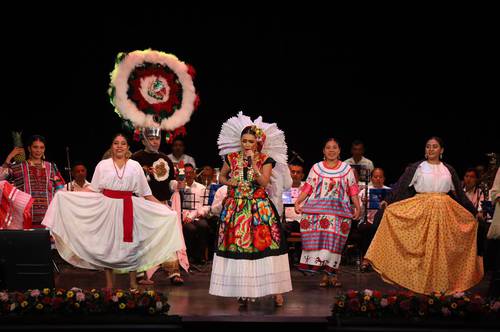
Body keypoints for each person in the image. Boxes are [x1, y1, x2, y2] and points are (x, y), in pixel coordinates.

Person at [42, 133, 183, 289]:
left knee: (132, 245)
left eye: (123, 143)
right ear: (111, 146)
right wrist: (70, 195)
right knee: (108, 245)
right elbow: (94, 190)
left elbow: (146, 193)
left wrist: (165, 208)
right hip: (107, 208)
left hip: (129, 207)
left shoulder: (134, 166)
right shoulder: (103, 165)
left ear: (128, 147)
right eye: (116, 143)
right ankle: (109, 285)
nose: (119, 146)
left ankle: (132, 283)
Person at [365, 137, 483, 295]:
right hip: (421, 210)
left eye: (435, 147)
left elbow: (460, 195)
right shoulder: (417, 167)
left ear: (441, 150)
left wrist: (475, 213)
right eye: (428, 147)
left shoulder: (449, 169)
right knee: (420, 249)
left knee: (441, 250)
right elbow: (400, 186)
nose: (431, 149)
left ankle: (439, 286)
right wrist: (388, 200)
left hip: (444, 212)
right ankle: (417, 284)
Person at [209, 113, 292, 307]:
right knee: (239, 248)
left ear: (257, 143)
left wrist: (254, 165)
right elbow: (220, 177)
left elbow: (263, 182)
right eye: (244, 141)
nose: (247, 145)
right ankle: (242, 290)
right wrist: (229, 181)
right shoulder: (230, 158)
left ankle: (275, 290)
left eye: (251, 142)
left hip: (259, 209)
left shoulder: (266, 160)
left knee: (266, 249)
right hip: (236, 208)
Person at [294, 138, 361, 288]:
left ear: (339, 150)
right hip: (318, 211)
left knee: (335, 244)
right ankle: (325, 274)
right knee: (322, 243)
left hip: (339, 212)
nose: (331, 150)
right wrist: (298, 201)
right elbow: (308, 187)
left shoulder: (346, 169)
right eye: (328, 148)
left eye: (334, 147)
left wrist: (357, 206)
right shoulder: (316, 168)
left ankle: (333, 274)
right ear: (323, 151)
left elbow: (353, 189)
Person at [131, 127, 185, 285]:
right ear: (144, 140)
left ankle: (173, 271)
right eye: (152, 139)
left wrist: (177, 184)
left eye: (158, 139)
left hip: (161, 204)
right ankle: (141, 273)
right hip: (142, 205)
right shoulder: (135, 159)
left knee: (166, 237)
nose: (155, 142)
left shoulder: (165, 159)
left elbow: (169, 183)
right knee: (143, 239)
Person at [5, 135, 65, 228]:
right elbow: (2, 180)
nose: (38, 150)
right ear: (29, 148)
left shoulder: (51, 167)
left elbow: (61, 190)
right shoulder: (19, 167)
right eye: (35, 147)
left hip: (48, 219)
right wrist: (9, 158)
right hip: (25, 218)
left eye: (41, 147)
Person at [170, 163, 210, 265]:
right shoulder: (178, 186)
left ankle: (199, 256)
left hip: (196, 215)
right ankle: (187, 256)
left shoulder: (201, 188)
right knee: (190, 229)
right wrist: (185, 216)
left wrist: (201, 213)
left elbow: (205, 205)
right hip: (183, 216)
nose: (188, 175)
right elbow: (176, 204)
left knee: (203, 226)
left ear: (194, 173)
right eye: (186, 173)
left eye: (190, 173)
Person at [357, 168, 390, 272]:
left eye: (380, 177)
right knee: (369, 228)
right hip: (368, 220)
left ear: (384, 178)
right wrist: (363, 204)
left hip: (385, 222)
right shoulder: (364, 192)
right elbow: (359, 214)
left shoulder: (390, 192)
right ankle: (366, 260)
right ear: (371, 178)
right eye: (375, 177)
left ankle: (386, 262)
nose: (378, 179)